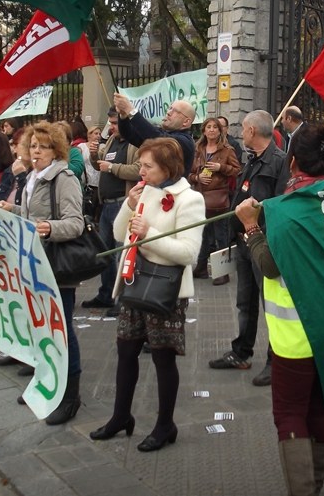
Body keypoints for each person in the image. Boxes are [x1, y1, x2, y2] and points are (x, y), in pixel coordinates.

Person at [234, 124, 324, 496]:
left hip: (296, 335)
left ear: (292, 162)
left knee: (291, 413)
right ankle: (315, 484)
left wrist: (251, 228)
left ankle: (304, 490)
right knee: (319, 408)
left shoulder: (287, 210)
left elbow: (271, 265)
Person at [90, 138, 204, 452]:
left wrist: (148, 234)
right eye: (140, 164)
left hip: (165, 289)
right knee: (126, 350)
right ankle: (120, 416)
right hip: (134, 280)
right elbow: (119, 234)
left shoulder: (189, 199)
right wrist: (128, 206)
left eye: (147, 166)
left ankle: (165, 424)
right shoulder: (145, 190)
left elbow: (188, 253)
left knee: (162, 357)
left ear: (168, 167)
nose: (141, 171)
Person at [0, 121, 85, 425]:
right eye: (32, 146)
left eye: (43, 147)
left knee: (61, 330)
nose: (36, 152)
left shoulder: (64, 178)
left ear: (56, 150)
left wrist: (49, 228)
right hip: (33, 263)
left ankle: (70, 395)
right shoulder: (32, 178)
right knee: (40, 327)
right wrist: (11, 210)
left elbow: (76, 223)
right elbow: (32, 215)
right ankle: (45, 382)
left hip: (57, 266)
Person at [209, 110, 290, 388]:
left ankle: (275, 361)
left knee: (271, 306)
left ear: (252, 131)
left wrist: (260, 234)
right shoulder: (252, 158)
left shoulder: (279, 161)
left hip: (262, 243)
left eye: (243, 128)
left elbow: (278, 205)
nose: (241, 132)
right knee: (245, 301)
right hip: (244, 240)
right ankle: (241, 351)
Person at [80, 108, 140, 315]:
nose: (111, 127)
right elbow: (100, 166)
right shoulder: (112, 140)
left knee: (121, 254)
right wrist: (94, 155)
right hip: (106, 204)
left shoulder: (135, 143)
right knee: (105, 252)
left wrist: (113, 168)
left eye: (114, 123)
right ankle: (106, 294)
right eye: (110, 123)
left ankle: (123, 299)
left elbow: (138, 170)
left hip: (123, 204)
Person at [189, 118, 240, 279]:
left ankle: (222, 273)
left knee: (221, 236)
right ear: (204, 131)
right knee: (203, 235)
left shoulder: (227, 150)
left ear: (220, 131)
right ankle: (201, 267)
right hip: (200, 199)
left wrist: (221, 167)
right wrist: (197, 178)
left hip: (219, 199)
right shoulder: (198, 149)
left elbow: (237, 170)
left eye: (215, 127)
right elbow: (189, 173)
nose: (211, 130)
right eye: (208, 127)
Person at [113, 92, 196, 174]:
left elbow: (158, 139)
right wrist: (123, 115)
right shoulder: (163, 133)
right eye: (170, 108)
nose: (168, 112)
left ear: (186, 122)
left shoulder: (185, 142)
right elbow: (129, 134)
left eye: (175, 111)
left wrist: (131, 111)